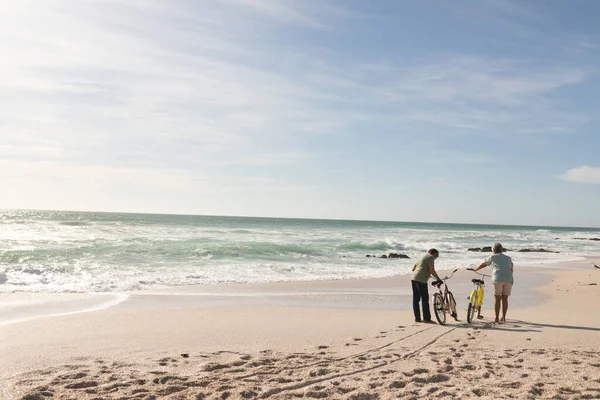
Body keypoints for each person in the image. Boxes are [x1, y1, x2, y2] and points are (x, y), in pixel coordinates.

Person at [470, 242, 514, 323]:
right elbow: (511, 269)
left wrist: (476, 269)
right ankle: (503, 317)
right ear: (501, 250)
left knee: (497, 298)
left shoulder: (492, 257)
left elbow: (484, 264)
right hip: (509, 279)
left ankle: (496, 318)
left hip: (498, 279)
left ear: (493, 250)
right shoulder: (508, 258)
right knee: (505, 299)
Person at [411, 248, 442, 323]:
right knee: (425, 299)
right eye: (436, 256)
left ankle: (417, 318)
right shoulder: (430, 257)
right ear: (433, 253)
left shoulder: (422, 257)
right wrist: (438, 279)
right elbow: (431, 269)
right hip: (421, 280)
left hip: (414, 278)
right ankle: (427, 318)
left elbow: (413, 269)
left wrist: (426, 273)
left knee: (416, 299)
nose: (436, 258)